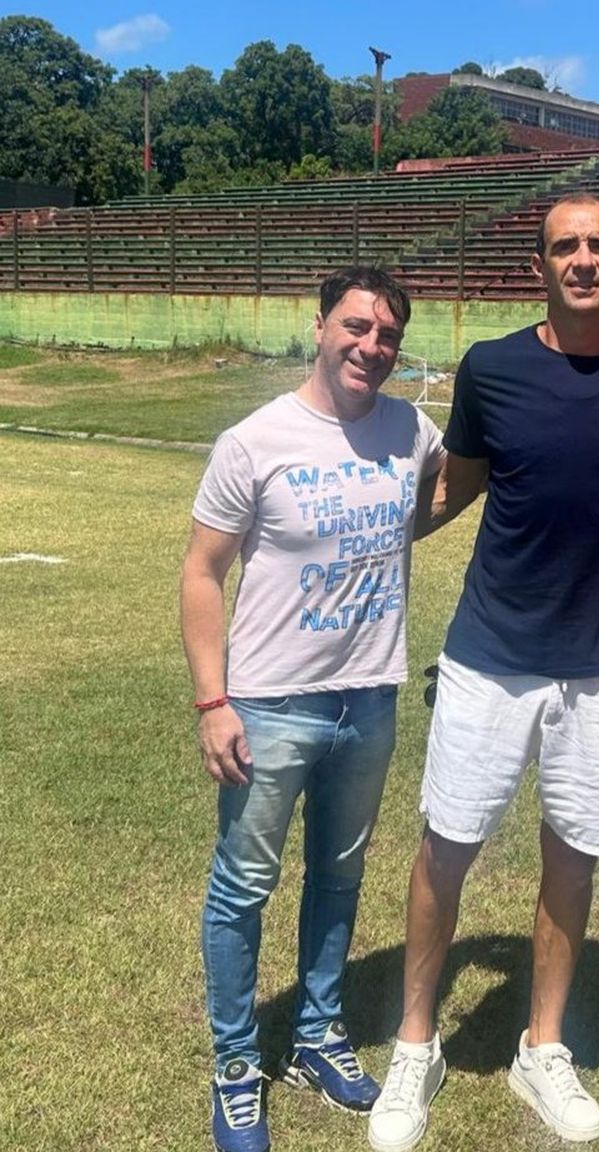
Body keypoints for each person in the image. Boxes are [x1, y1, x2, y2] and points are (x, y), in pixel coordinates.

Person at [366, 195, 599, 1151]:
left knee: (572, 856)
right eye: (565, 246)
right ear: (539, 265)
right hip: (489, 659)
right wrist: (349, 535)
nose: (583, 259)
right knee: (447, 847)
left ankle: (541, 1045)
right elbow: (454, 487)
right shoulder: (493, 368)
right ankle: (416, 1044)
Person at [181, 267, 446, 1152]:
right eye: (356, 327)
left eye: (388, 337)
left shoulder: (411, 428)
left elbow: (446, 485)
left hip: (368, 695)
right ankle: (235, 1063)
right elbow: (201, 574)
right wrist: (214, 700)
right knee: (244, 886)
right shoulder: (255, 441)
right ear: (320, 326)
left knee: (340, 877)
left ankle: (317, 1036)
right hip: (270, 702)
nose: (371, 346)